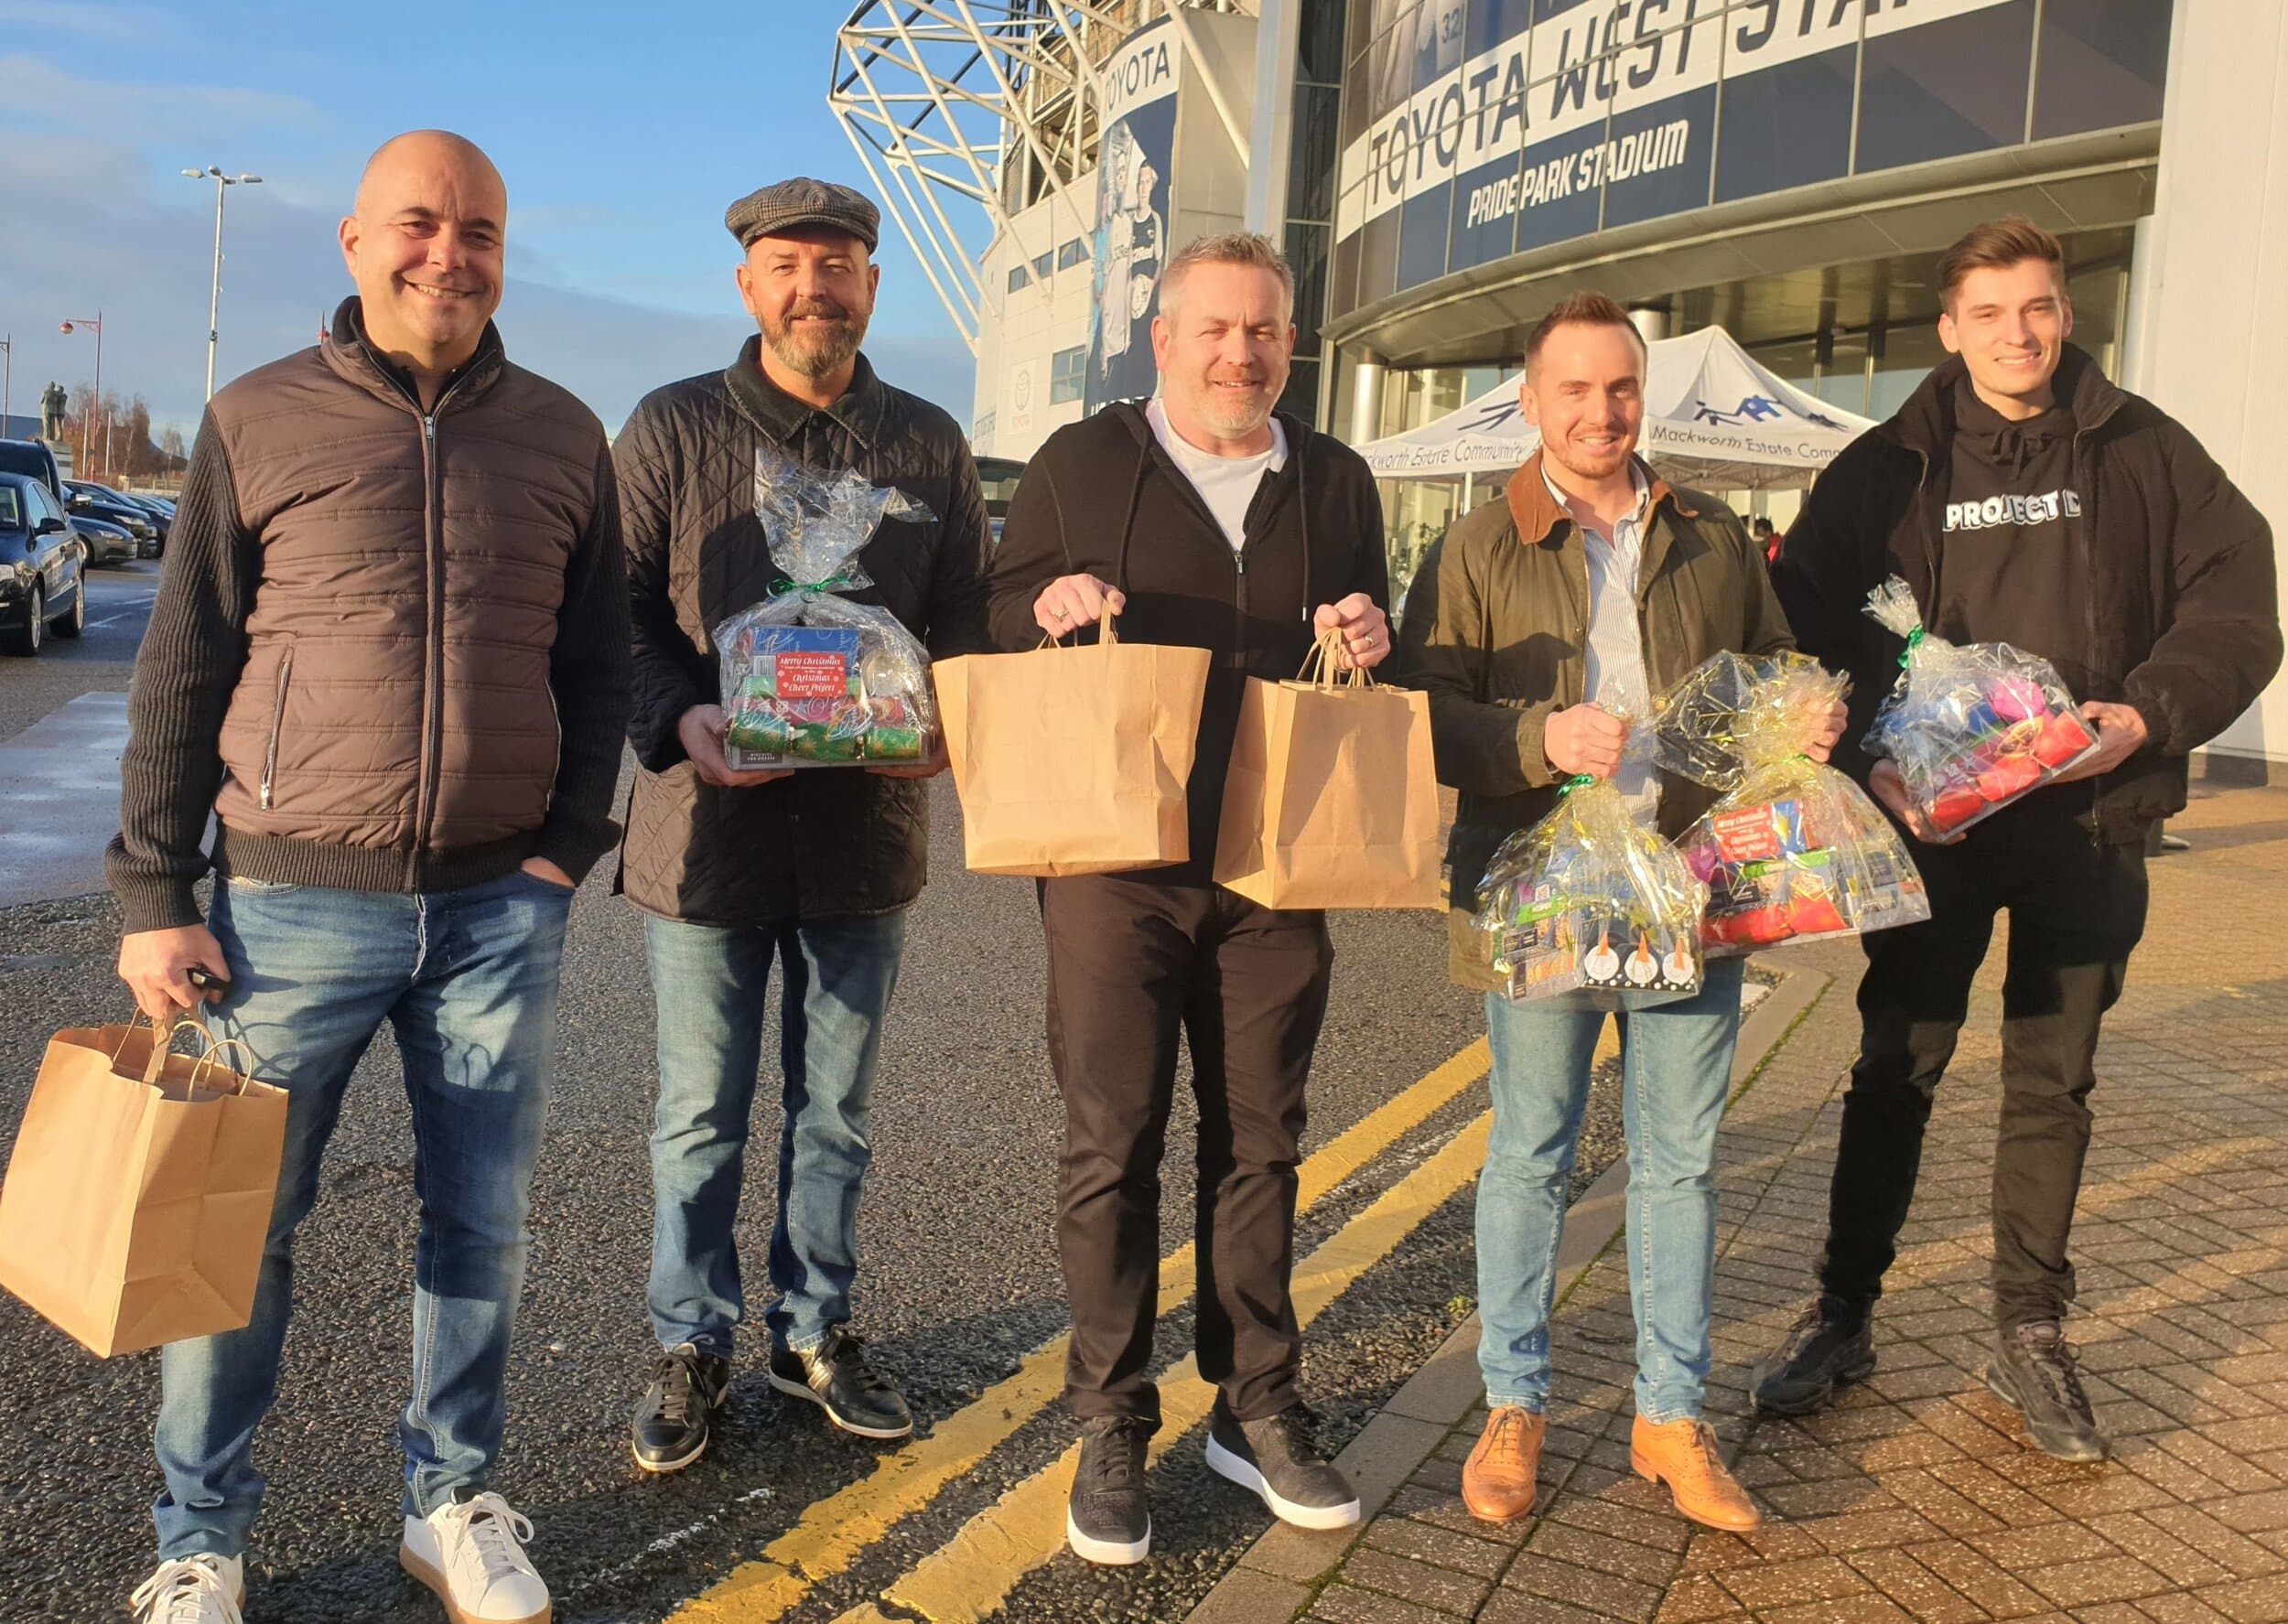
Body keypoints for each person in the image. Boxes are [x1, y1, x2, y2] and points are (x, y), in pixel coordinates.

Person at [108, 130, 631, 1624]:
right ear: (352, 242)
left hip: (495, 908)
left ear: (502, 254)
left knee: (480, 1221)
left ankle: (451, 1497)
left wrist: (559, 849)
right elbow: (182, 666)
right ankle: (200, 1536)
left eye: (477, 230)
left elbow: (597, 670)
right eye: (418, 223)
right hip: (287, 906)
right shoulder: (256, 417)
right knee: (237, 1230)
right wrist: (154, 894)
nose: (446, 254)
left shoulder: (561, 433)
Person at [1757, 218, 2281, 1461]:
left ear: (2065, 312)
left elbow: (2241, 594)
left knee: (2055, 1080)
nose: (2017, 334)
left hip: (2092, 819)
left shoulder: (2141, 446)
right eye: (1988, 314)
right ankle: (1844, 1311)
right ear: (1949, 329)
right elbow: (1800, 626)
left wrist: (2148, 712)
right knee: (1898, 1067)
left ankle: (2030, 1332)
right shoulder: (1885, 464)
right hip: (1931, 831)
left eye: (2036, 308)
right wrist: (1853, 755)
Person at [1395, 292, 1839, 1534]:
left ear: (1644, 397)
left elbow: (1772, 663)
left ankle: (1668, 1418)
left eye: (1620, 390)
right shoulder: (1477, 544)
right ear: (1531, 401)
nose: (1600, 413)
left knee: (1681, 1161)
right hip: (1542, 892)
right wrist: (1539, 736)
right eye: (1574, 391)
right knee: (1531, 1154)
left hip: (1690, 886)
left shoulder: (1707, 534)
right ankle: (1514, 1404)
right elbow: (1429, 715)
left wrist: (1798, 706)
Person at [986, 232, 1390, 1565]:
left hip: (1280, 857)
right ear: (1162, 341)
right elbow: (991, 616)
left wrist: (1377, 634)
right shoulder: (1078, 465)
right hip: (1113, 864)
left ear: (1291, 341)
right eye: (1214, 329)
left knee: (1262, 1141)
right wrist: (1042, 603)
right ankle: (1111, 1420)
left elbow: (1381, 637)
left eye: (1265, 331)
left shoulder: (1335, 478)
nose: (1241, 353)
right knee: (1113, 1144)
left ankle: (1256, 1403)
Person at [615, 177, 991, 1471]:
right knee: (700, 1113)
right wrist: (683, 720)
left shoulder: (930, 441)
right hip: (701, 835)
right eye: (787, 263)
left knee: (836, 1111)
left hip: (865, 836)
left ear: (872, 288)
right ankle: (691, 1341)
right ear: (747, 285)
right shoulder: (671, 428)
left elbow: (968, 615)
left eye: (837, 265)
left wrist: (952, 721)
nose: (812, 286)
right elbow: (612, 615)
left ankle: (816, 1328)